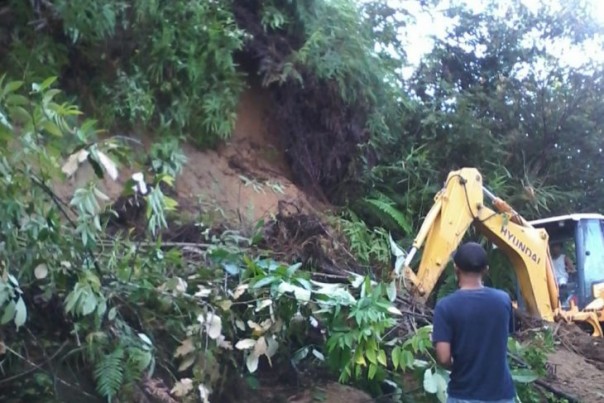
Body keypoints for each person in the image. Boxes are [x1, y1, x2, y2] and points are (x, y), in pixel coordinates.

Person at [432, 242, 516, 403]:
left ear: (456, 268)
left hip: (464, 394)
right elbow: (504, 337)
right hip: (501, 394)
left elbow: (443, 358)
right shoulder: (503, 300)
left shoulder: (445, 306)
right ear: (486, 270)